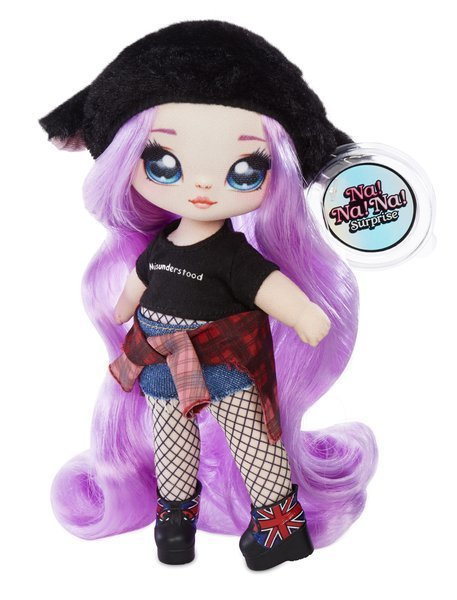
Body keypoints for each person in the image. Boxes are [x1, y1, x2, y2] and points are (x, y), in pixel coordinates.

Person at [39, 20, 377, 571]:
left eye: (245, 170)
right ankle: (176, 521)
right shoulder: (159, 244)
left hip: (224, 362)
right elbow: (137, 283)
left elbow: (267, 286)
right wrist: (122, 310)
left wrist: (304, 314)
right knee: (171, 440)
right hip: (157, 357)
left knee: (252, 441)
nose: (200, 186)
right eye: (163, 162)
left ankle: (281, 525)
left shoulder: (232, 255)